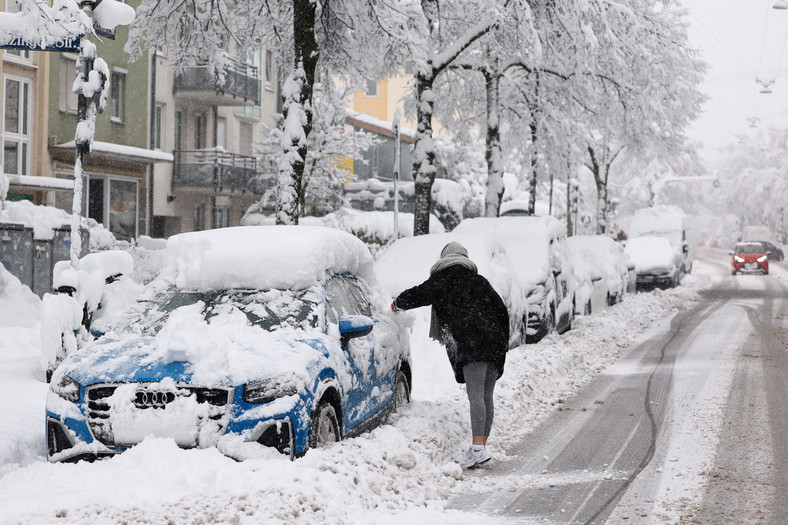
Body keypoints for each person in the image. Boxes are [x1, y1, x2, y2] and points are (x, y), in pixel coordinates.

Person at [391, 241, 509, 469]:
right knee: (486, 396)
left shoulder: (444, 279)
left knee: (476, 396)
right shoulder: (480, 281)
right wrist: (502, 343)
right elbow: (501, 311)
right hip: (493, 343)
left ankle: (478, 450)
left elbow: (419, 294)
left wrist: (396, 304)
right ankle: (479, 448)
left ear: (445, 258)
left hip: (473, 343)